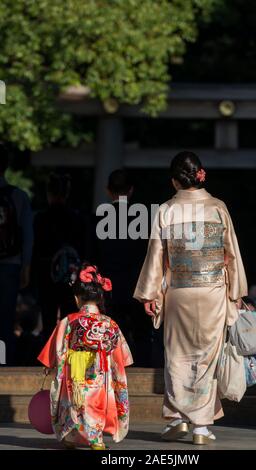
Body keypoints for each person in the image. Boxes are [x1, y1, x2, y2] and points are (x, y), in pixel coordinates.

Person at [134, 151, 248, 445]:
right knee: (206, 357)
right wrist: (236, 292)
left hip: (179, 291)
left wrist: (150, 293)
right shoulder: (218, 207)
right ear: (201, 174)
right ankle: (200, 426)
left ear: (175, 181)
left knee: (177, 356)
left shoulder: (167, 210)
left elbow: (156, 255)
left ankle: (177, 417)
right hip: (211, 291)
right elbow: (231, 253)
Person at [38, 263, 133, 450]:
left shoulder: (69, 321)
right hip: (99, 372)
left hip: (73, 371)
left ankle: (70, 437)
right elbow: (120, 356)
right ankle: (96, 439)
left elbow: (56, 349)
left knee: (72, 403)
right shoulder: (109, 323)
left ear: (76, 299)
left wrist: (50, 365)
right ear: (99, 298)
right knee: (95, 404)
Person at [95, 169, 151, 366]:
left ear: (108, 191)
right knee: (142, 335)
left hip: (109, 286)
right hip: (138, 285)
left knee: (110, 334)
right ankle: (144, 373)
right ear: (131, 190)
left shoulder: (99, 219)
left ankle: (112, 374)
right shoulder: (143, 219)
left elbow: (93, 257)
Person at [33, 173, 84, 340]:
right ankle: (68, 357)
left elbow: (36, 249)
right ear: (67, 193)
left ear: (48, 193)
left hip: (46, 274)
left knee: (48, 320)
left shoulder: (41, 218)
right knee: (69, 319)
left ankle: (49, 358)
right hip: (71, 274)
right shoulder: (76, 218)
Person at [0, 143, 33, 364]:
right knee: (5, 317)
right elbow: (28, 235)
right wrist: (26, 266)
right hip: (10, 264)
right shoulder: (18, 196)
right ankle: (3, 362)